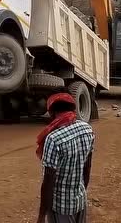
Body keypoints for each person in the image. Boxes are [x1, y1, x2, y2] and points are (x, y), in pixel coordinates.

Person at [36, 93, 94, 223]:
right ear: (73, 108)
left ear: (51, 112)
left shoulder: (53, 138)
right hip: (80, 199)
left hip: (61, 207)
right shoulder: (87, 129)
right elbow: (87, 167)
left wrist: (41, 215)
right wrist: (81, 194)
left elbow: (48, 181)